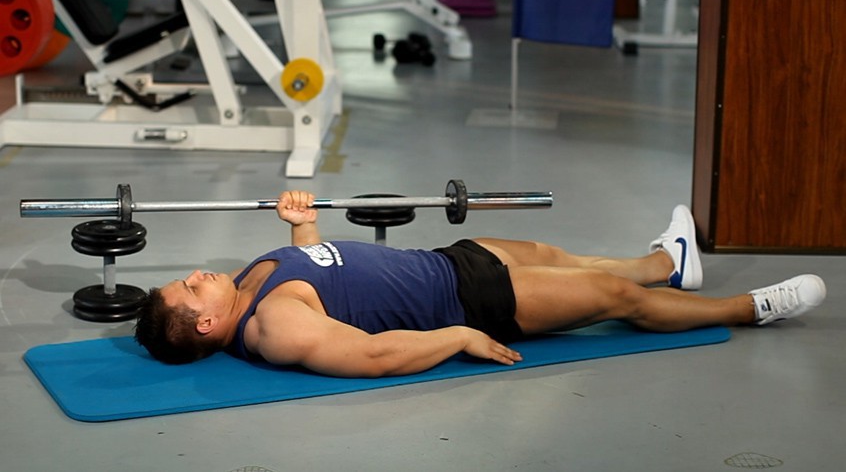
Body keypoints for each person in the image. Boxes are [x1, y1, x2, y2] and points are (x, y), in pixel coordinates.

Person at [134, 191, 826, 377]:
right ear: (204, 326)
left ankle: (667, 261)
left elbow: (324, 271)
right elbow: (372, 356)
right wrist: (458, 334)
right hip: (470, 301)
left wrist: (302, 228)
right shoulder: (270, 329)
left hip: (446, 260)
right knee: (618, 304)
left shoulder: (252, 282)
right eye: (189, 289)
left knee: (562, 254)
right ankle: (751, 308)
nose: (196, 276)